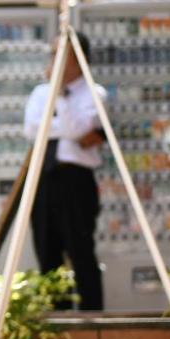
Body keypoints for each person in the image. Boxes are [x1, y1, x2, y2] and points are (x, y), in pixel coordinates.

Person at [23, 34, 107, 311]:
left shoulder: (95, 93)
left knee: (81, 250)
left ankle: (92, 317)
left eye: (62, 54)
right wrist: (70, 130)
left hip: (77, 181)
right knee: (46, 251)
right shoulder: (39, 93)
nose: (54, 60)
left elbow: (76, 130)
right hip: (44, 178)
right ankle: (56, 317)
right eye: (53, 53)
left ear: (79, 59)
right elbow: (33, 129)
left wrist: (60, 98)